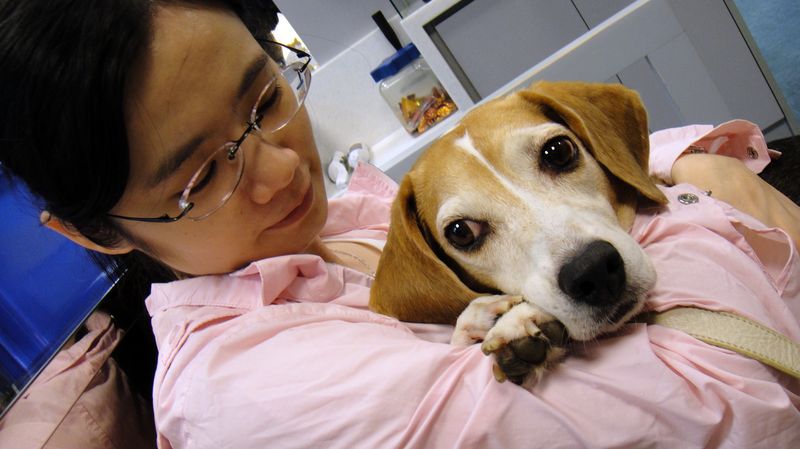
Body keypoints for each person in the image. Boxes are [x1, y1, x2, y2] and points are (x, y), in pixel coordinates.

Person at [1, 1, 798, 448]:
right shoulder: (255, 395)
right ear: (97, 232)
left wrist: (677, 162)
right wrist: (698, 198)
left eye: (266, 99)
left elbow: (519, 185)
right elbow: (736, 410)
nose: (282, 171)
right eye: (200, 177)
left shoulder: (339, 221)